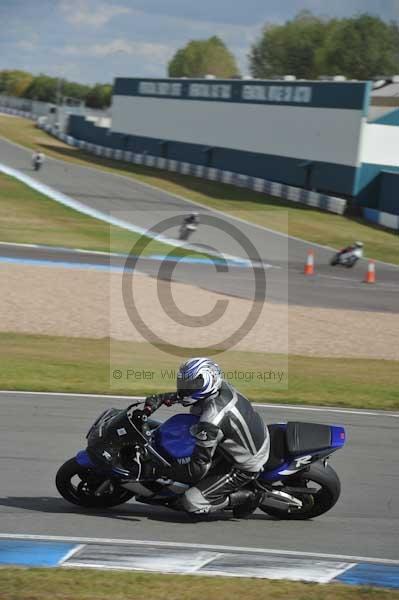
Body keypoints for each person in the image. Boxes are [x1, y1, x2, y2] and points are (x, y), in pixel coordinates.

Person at [138, 358, 270, 517]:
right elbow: (189, 395)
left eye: (191, 385)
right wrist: (161, 398)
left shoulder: (211, 419)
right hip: (241, 438)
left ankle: (249, 497)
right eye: (183, 383)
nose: (186, 388)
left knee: (191, 502)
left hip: (245, 464)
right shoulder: (220, 387)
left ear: (209, 381)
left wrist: (156, 469)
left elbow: (196, 470)